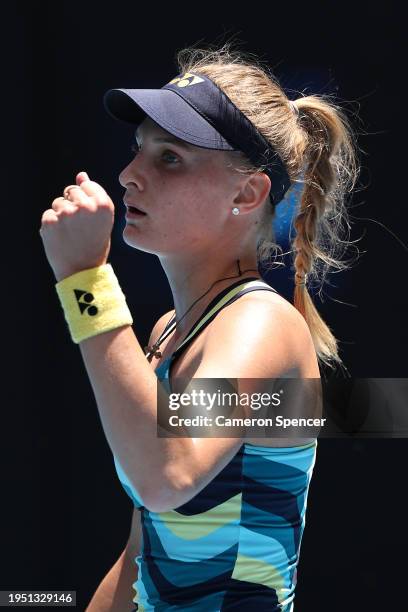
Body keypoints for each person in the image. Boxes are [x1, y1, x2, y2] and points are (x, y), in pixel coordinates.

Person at [39, 43, 359, 611]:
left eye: (169, 158)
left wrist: (85, 280)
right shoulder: (169, 332)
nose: (128, 175)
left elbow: (167, 476)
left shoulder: (262, 323)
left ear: (247, 193)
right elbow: (143, 547)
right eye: (139, 150)